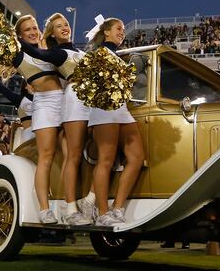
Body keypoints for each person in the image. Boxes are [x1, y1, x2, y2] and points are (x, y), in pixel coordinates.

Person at [17, 13, 92, 225]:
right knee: (47, 157)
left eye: (34, 28)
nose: (32, 32)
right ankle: (43, 209)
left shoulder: (51, 52)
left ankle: (70, 207)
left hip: (67, 102)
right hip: (46, 105)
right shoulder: (20, 54)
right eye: (27, 30)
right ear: (20, 36)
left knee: (72, 156)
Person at [83, 17, 145, 226]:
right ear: (106, 32)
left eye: (122, 29)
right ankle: (102, 213)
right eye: (118, 28)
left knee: (136, 157)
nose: (122, 32)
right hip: (104, 110)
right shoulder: (98, 54)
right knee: (106, 161)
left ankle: (117, 208)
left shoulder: (119, 57)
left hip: (122, 110)